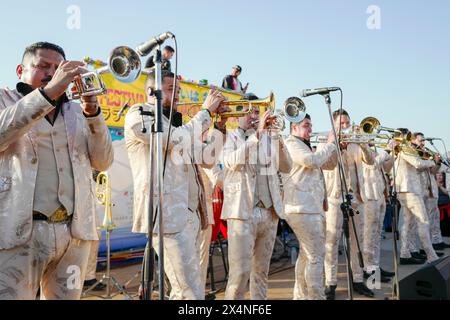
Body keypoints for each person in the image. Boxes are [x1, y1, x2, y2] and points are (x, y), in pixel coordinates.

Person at [0, 42, 114, 300]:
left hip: (73, 233)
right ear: (20, 70)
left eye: (57, 67)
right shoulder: (4, 99)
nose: (52, 73)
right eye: (43, 66)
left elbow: (103, 161)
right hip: (17, 231)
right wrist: (50, 91)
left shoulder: (77, 110)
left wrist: (93, 112)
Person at [124, 70, 229, 300]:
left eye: (179, 90)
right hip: (166, 215)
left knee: (190, 289)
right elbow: (171, 139)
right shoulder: (139, 113)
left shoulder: (179, 125)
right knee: (188, 291)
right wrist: (205, 112)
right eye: (172, 89)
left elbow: (208, 158)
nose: (179, 95)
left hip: (190, 214)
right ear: (152, 91)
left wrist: (220, 126)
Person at [221, 101, 292, 300]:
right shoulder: (229, 136)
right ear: (238, 116)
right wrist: (257, 135)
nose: (255, 117)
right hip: (242, 213)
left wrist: (277, 139)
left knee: (261, 273)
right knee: (240, 274)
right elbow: (232, 162)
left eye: (257, 113)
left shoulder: (270, 139)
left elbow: (287, 167)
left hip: (269, 213)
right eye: (250, 113)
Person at [321, 109, 375, 300]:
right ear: (334, 124)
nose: (345, 127)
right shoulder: (324, 142)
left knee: (357, 241)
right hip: (334, 197)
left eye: (347, 123)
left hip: (355, 198)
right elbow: (321, 162)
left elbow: (371, 161)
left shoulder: (356, 143)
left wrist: (362, 142)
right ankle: (330, 283)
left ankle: (359, 280)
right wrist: (332, 143)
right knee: (332, 242)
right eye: (341, 124)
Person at [281, 114, 337, 300]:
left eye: (311, 126)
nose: (311, 130)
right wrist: (330, 143)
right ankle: (316, 296)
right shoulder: (291, 143)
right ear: (294, 127)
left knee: (307, 256)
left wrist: (335, 147)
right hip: (301, 208)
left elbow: (329, 165)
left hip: (310, 207)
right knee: (316, 257)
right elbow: (311, 162)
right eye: (306, 126)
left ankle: (301, 296)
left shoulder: (305, 145)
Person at [396, 130, 439, 265]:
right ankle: (431, 256)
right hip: (410, 189)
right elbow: (418, 164)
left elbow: (416, 166)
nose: (409, 139)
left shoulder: (402, 149)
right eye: (407, 136)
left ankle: (405, 254)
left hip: (406, 189)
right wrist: (432, 162)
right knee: (423, 221)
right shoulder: (404, 148)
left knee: (408, 224)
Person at [361, 145, 395, 282]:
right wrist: (386, 151)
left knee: (377, 234)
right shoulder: (361, 149)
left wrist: (393, 153)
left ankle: (376, 267)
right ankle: (368, 269)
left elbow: (386, 168)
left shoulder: (373, 150)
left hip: (380, 195)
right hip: (369, 196)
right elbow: (372, 165)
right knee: (369, 236)